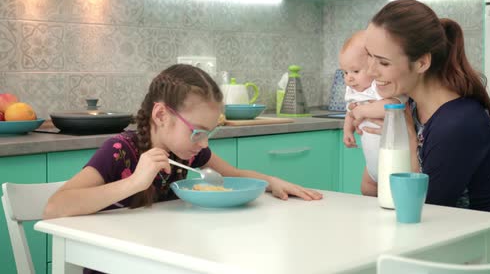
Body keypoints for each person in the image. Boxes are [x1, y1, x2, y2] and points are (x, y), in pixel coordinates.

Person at [44, 64, 323, 221]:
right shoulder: (120, 152)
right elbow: (55, 207)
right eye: (197, 131)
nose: (203, 143)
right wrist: (134, 182)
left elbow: (233, 176)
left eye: (209, 133)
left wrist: (271, 182)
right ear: (162, 115)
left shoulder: (189, 155)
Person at [356, 0, 490, 213]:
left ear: (422, 63)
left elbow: (420, 211)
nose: (370, 71)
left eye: (383, 62)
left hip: (471, 242)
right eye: (369, 56)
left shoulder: (458, 124)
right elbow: (375, 192)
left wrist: (407, 139)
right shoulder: (411, 110)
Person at [338, 30, 402, 195]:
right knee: (366, 189)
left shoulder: (380, 87)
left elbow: (392, 105)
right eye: (345, 72)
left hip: (392, 163)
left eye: (355, 71)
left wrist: (363, 110)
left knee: (391, 197)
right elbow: (350, 113)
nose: (349, 78)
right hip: (371, 165)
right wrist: (347, 130)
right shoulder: (353, 92)